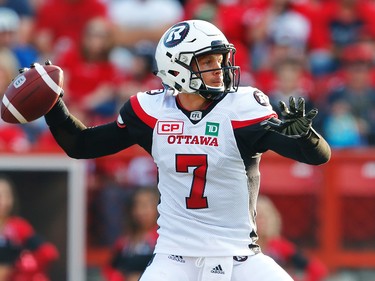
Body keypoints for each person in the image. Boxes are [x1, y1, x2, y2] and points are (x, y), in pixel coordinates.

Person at [42, 20, 330, 281]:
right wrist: (52, 104)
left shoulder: (242, 108)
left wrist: (306, 135)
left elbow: (316, 157)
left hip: (239, 255)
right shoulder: (151, 112)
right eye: (207, 61)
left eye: (220, 59)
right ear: (177, 68)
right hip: (174, 256)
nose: (219, 69)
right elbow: (81, 144)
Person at [0, 174, 59, 281]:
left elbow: (48, 252)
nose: (3, 201)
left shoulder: (18, 227)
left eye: (7, 195)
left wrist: (21, 265)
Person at [256, 195, 328, 281]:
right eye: (255, 217)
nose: (259, 222)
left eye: (262, 217)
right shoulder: (242, 247)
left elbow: (317, 270)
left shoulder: (280, 247)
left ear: (270, 219)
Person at [102, 187, 159, 281]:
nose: (140, 211)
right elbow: (111, 269)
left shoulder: (162, 239)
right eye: (136, 206)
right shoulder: (124, 241)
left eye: (145, 206)